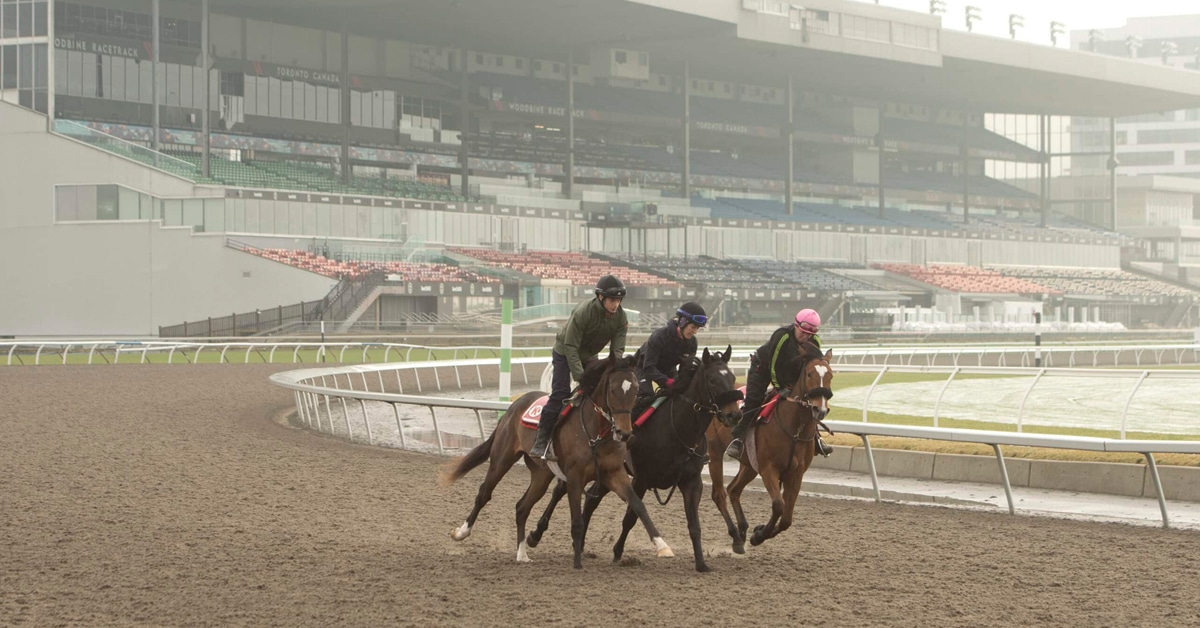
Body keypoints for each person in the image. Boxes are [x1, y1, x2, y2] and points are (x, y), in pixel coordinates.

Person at [530, 274, 630, 459]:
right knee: (560, 393)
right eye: (612, 300)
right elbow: (571, 347)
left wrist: (615, 370)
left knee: (600, 392)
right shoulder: (584, 312)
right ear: (600, 297)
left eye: (618, 300)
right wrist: (580, 376)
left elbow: (617, 351)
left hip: (589, 355)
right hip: (564, 351)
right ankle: (541, 441)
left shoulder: (621, 317)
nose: (615, 304)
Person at [725, 308, 833, 459]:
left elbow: (812, 366)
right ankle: (737, 439)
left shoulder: (814, 342)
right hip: (763, 368)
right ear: (796, 325)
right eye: (803, 332)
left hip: (788, 371)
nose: (806, 336)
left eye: (810, 334)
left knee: (807, 402)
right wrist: (780, 388)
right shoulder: (782, 336)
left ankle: (817, 438)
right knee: (754, 400)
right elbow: (773, 367)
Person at [634, 302, 706, 410]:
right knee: (647, 394)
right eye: (693, 327)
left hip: (667, 370)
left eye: (697, 328)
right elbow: (649, 367)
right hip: (643, 368)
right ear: (682, 322)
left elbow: (685, 370)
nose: (695, 332)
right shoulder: (659, 336)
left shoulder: (692, 343)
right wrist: (667, 381)